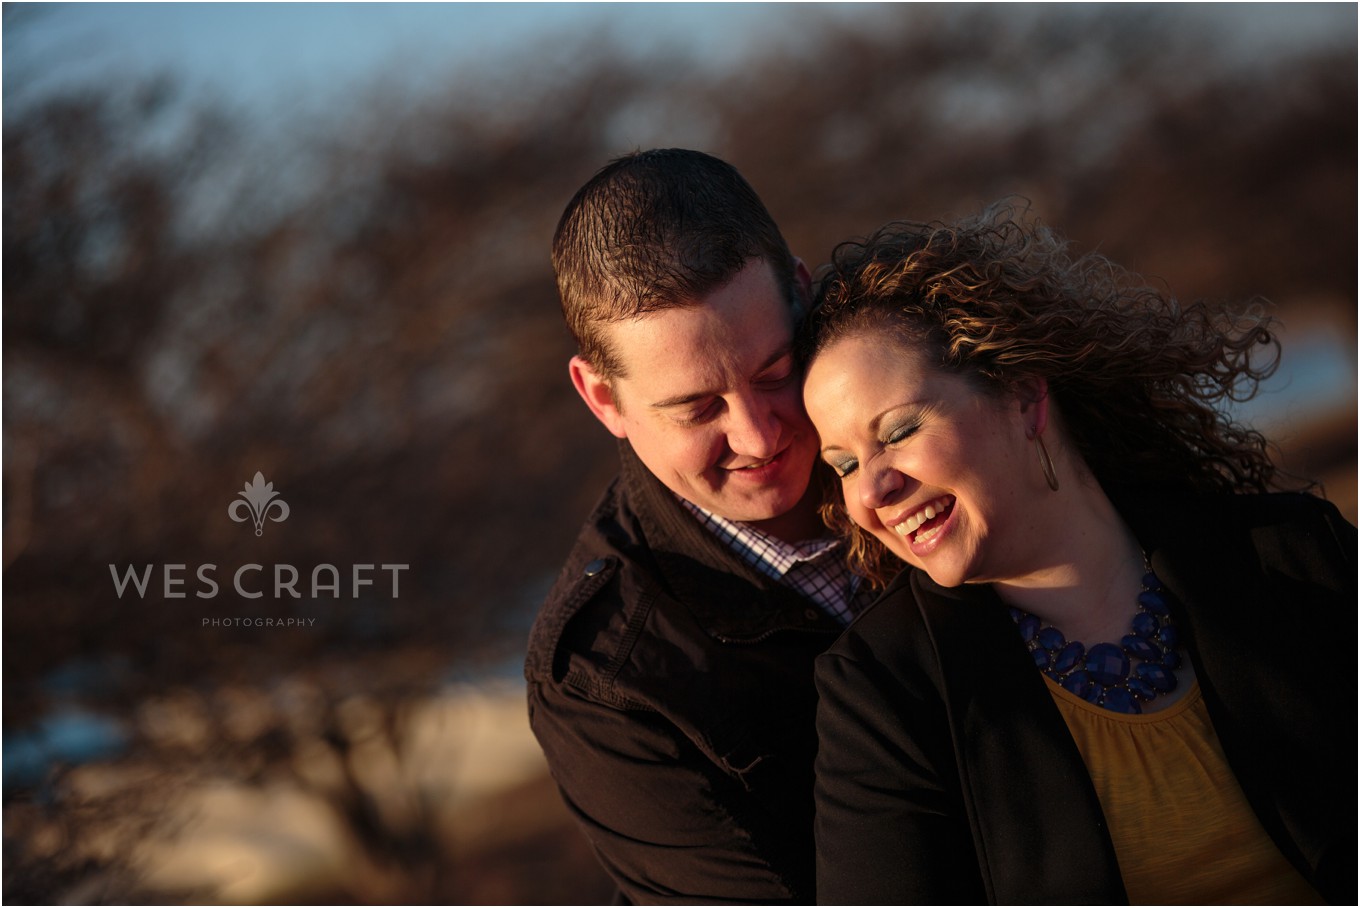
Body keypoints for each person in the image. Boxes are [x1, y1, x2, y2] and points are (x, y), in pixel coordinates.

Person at [798, 203, 1356, 905]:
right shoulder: (884, 692)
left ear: (1025, 398)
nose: (874, 488)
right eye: (844, 464)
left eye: (900, 429)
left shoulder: (1298, 556)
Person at [524, 149, 865, 904]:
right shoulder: (605, 683)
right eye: (696, 408)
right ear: (602, 397)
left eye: (775, 372)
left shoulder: (947, 438)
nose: (758, 436)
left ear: (804, 295)